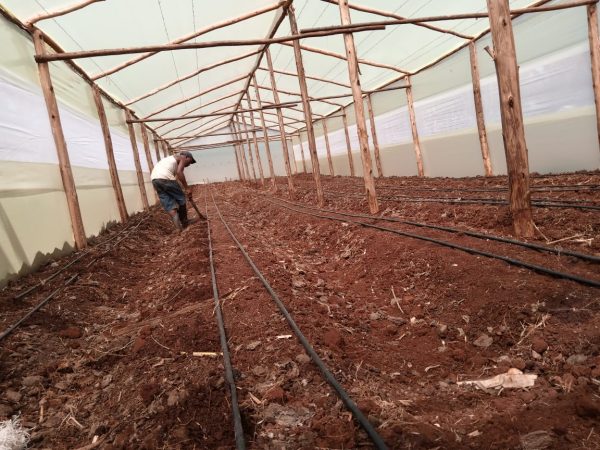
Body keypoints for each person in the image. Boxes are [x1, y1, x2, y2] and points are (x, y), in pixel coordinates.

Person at [151, 151, 196, 230]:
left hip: (155, 180)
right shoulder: (182, 157)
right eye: (190, 161)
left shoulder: (169, 161)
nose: (188, 165)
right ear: (186, 157)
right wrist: (187, 188)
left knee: (169, 205)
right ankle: (185, 222)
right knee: (181, 198)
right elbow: (179, 172)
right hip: (165, 178)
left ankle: (179, 228)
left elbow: (176, 177)